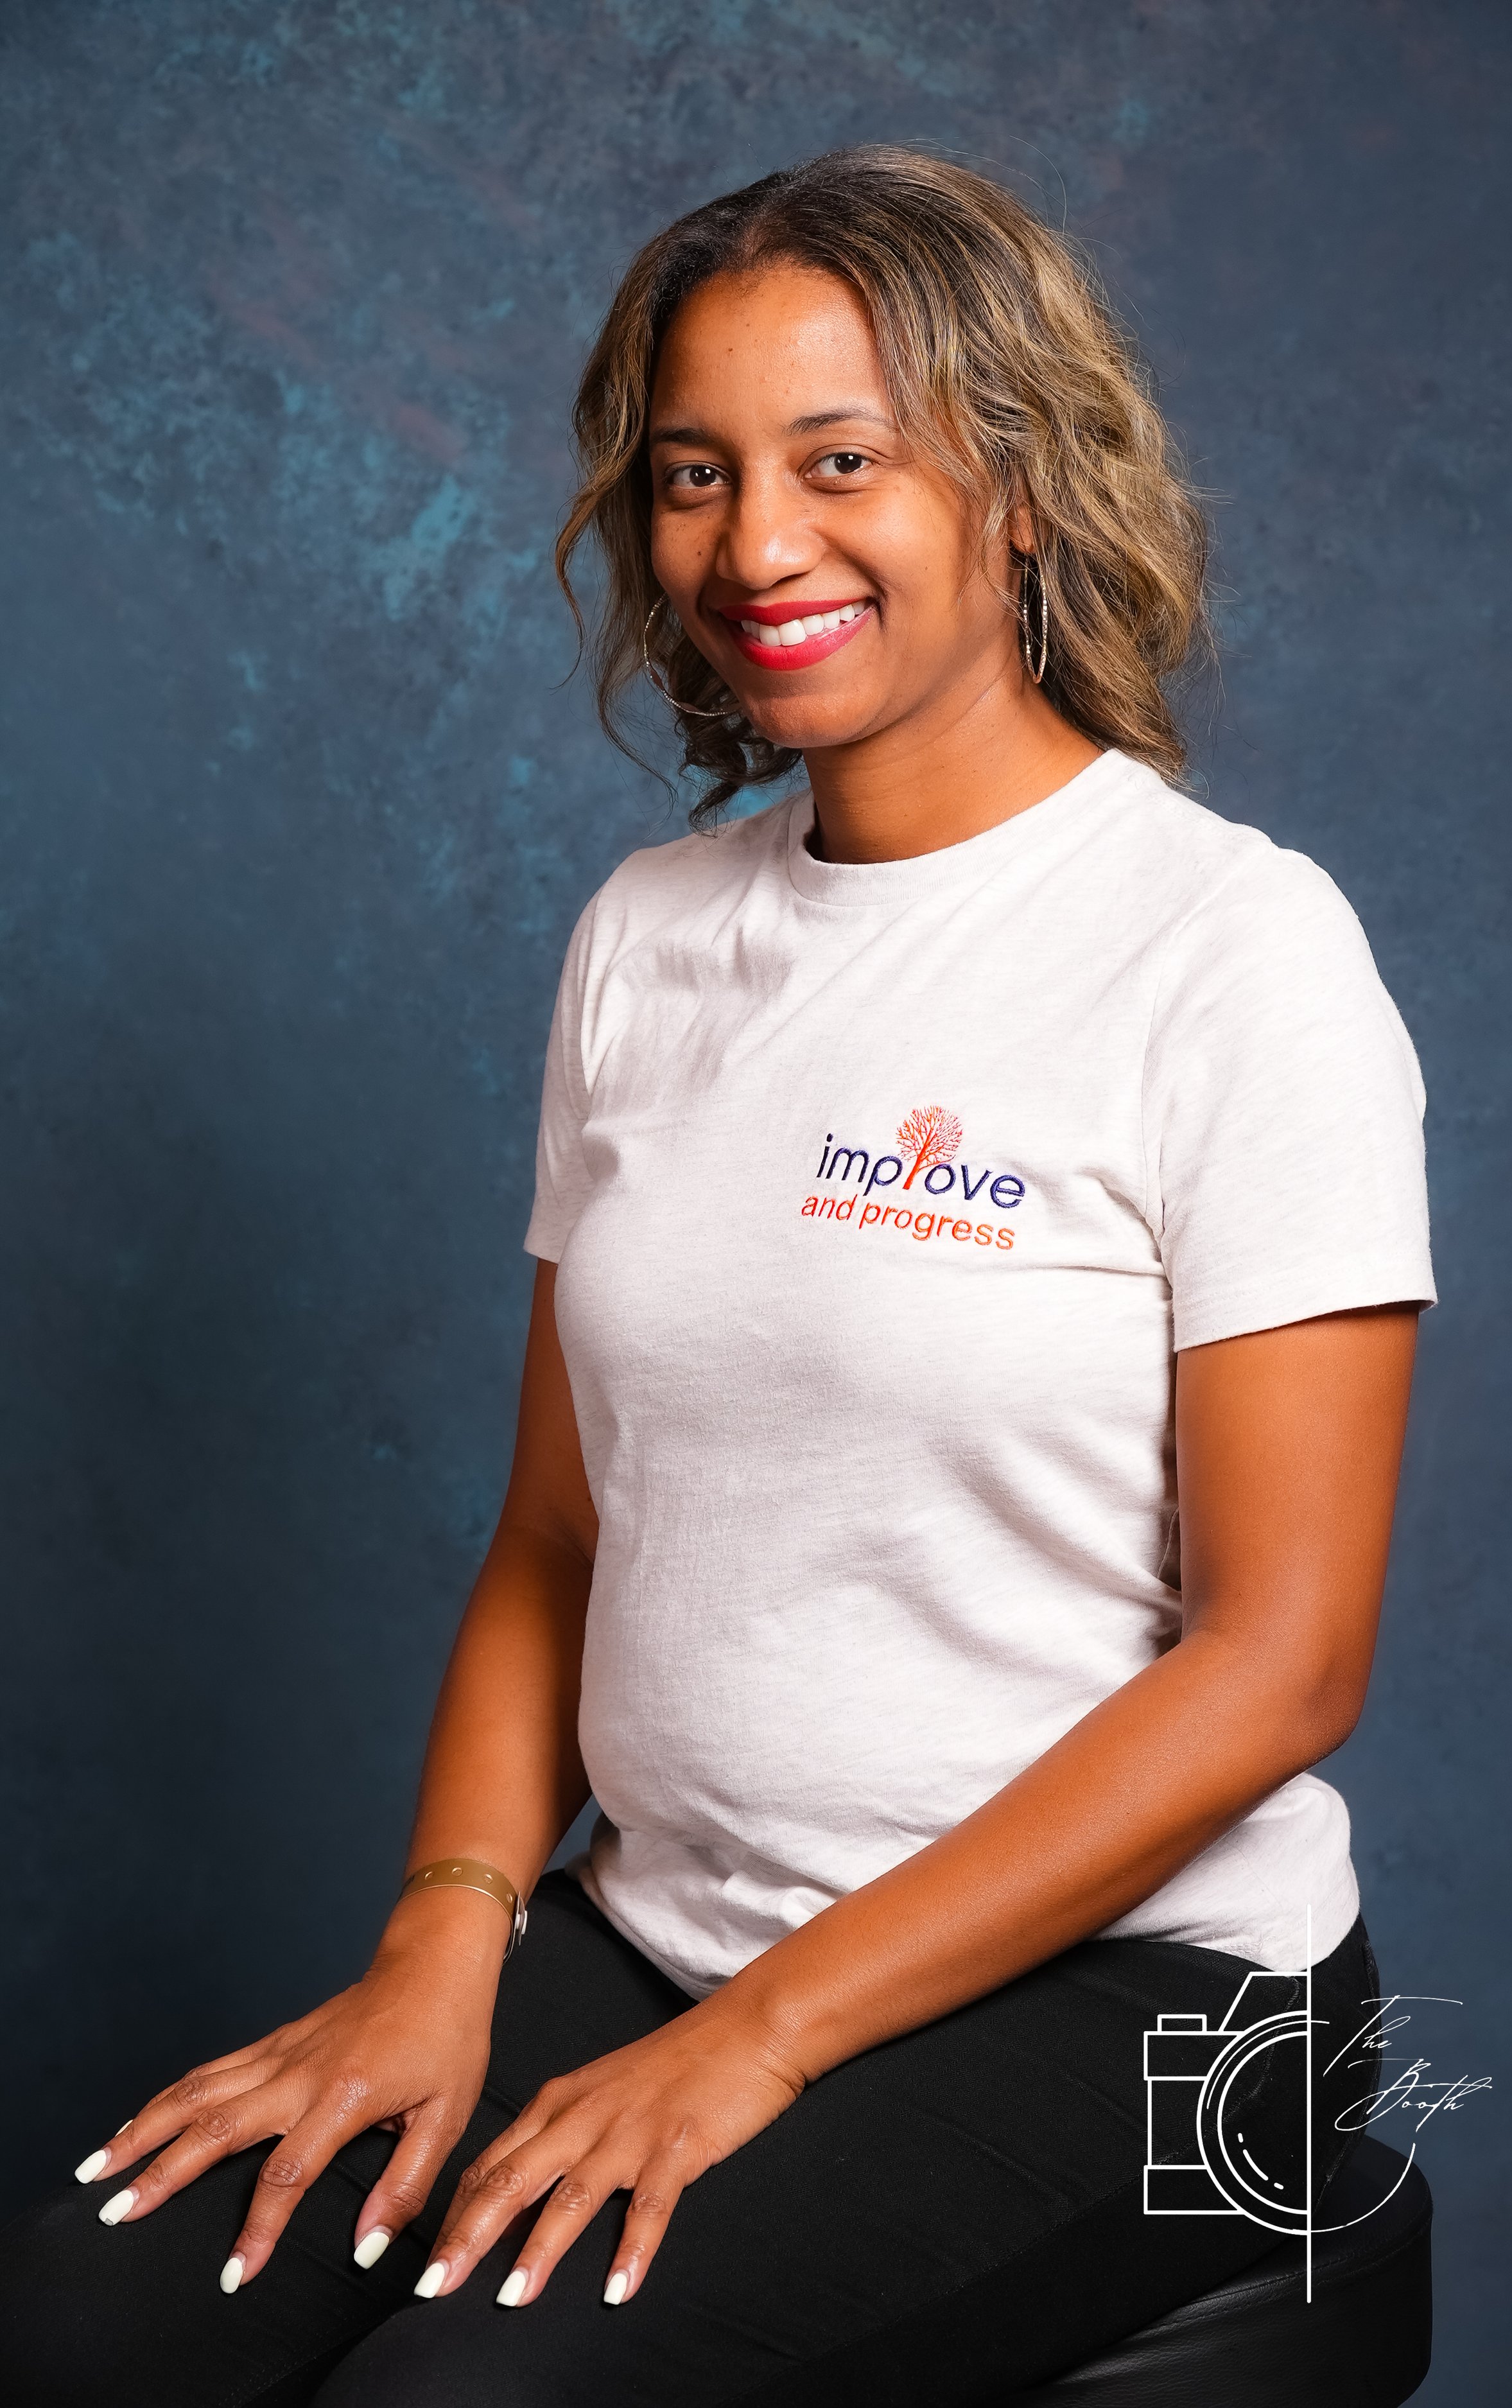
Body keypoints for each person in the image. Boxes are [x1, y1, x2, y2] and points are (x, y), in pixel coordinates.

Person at [1, 147, 1434, 2406]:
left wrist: (760, 2042)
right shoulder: (647, 939)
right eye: (696, 474)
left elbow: (1281, 1663)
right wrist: (443, 1947)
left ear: (1021, 486)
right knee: (79, 2329)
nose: (757, 545)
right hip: (670, 1922)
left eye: (840, 461)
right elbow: (555, 1541)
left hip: (1155, 2002)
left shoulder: (1235, 954)